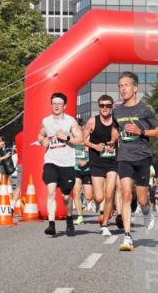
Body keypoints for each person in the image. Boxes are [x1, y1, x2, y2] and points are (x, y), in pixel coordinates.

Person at [113, 71, 158, 251]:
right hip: (124, 157)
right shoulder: (116, 110)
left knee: (142, 200)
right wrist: (110, 142)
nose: (123, 89)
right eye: (120, 86)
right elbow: (115, 130)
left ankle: (147, 212)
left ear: (135, 88)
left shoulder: (144, 109)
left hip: (142, 156)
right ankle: (127, 237)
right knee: (126, 195)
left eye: (126, 85)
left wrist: (140, 131)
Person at [38, 92, 84, 236]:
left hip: (67, 163)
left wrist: (67, 137)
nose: (56, 106)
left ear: (65, 106)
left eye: (59, 104)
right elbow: (40, 134)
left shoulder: (70, 121)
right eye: (54, 103)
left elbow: (80, 139)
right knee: (51, 190)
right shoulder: (46, 121)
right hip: (51, 161)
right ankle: (51, 225)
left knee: (65, 196)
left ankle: (69, 220)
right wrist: (42, 141)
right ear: (51, 105)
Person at [84, 94, 120, 236]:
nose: (105, 108)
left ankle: (104, 225)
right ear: (99, 107)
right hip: (97, 162)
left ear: (111, 107)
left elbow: (120, 136)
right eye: (102, 105)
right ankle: (103, 207)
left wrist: (113, 141)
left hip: (112, 162)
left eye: (108, 106)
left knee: (109, 194)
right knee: (99, 197)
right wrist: (95, 146)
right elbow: (82, 139)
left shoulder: (116, 122)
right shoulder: (92, 121)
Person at [72, 121, 93, 225]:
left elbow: (96, 154)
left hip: (88, 170)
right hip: (76, 169)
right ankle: (80, 216)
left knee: (89, 196)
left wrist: (87, 160)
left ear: (83, 127)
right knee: (76, 191)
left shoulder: (89, 138)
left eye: (80, 127)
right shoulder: (72, 138)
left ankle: (92, 202)